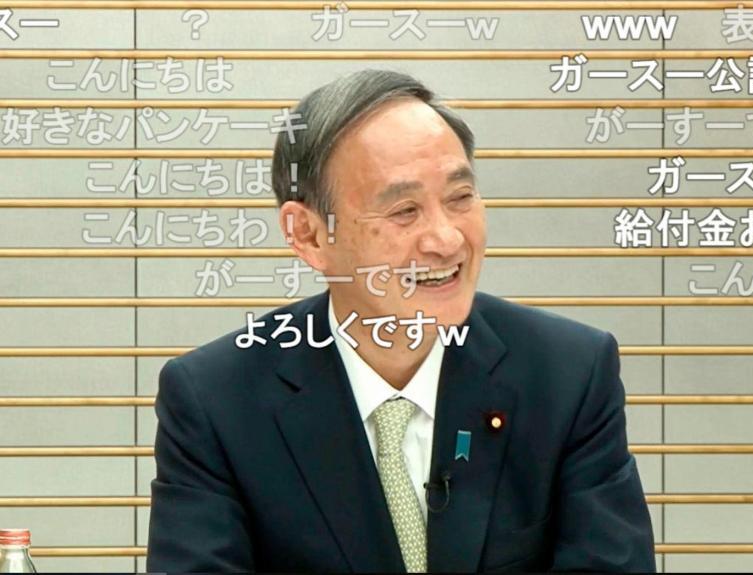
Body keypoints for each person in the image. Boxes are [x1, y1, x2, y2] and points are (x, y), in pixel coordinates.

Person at [146, 69, 656, 573]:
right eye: (404, 210)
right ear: (308, 235)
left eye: (460, 198)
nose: (447, 240)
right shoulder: (217, 402)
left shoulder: (568, 375)